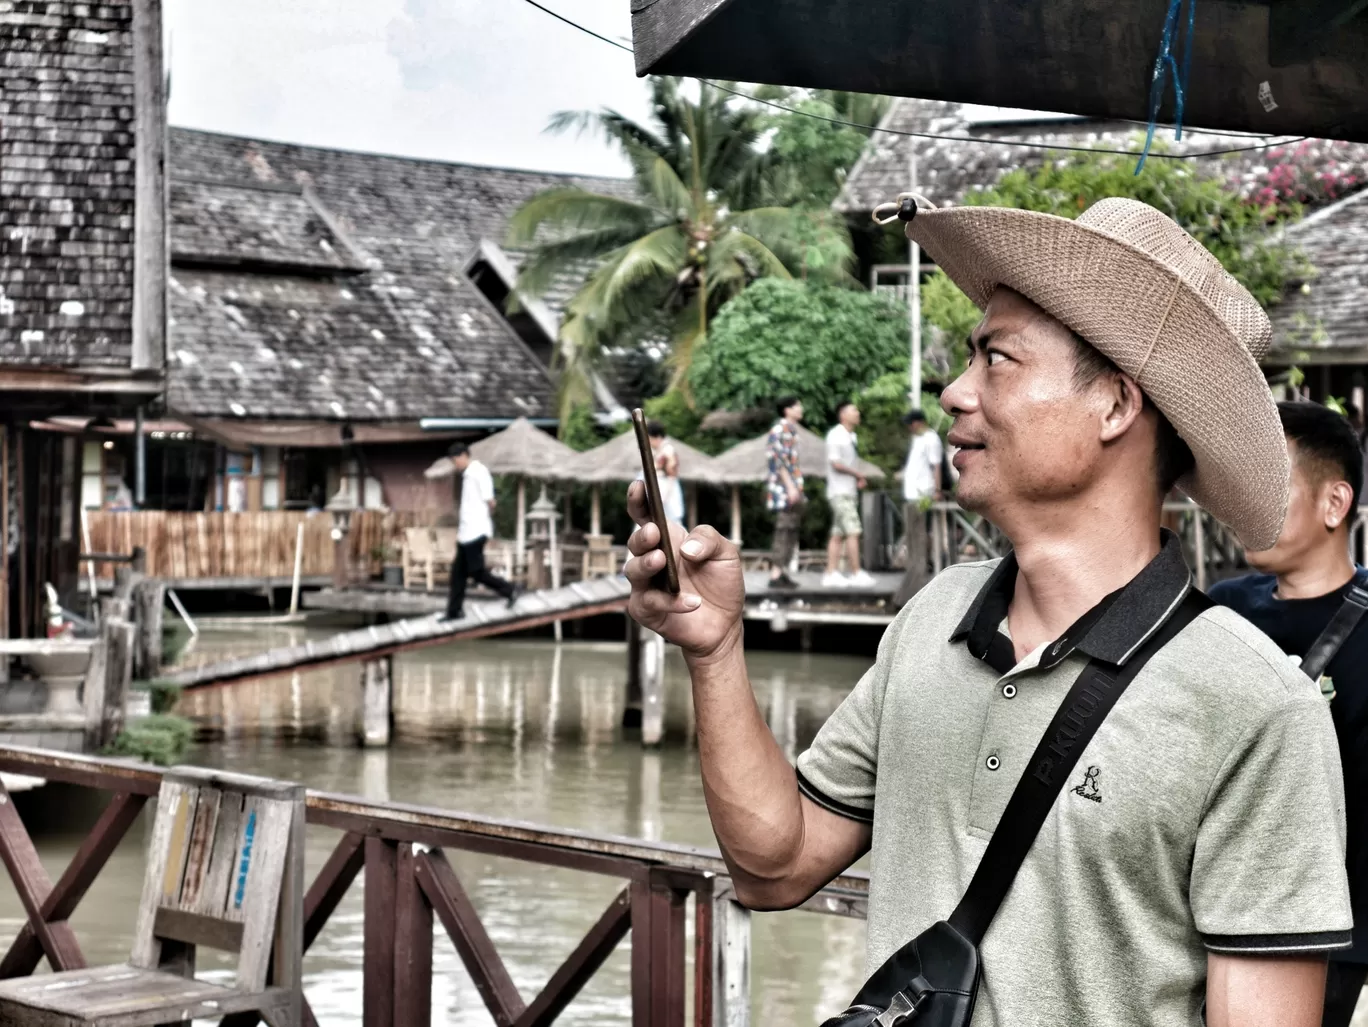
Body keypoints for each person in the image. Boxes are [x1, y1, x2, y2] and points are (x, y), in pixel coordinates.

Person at [622, 197, 1351, 1026]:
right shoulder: (934, 617)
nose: (954, 390)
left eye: (996, 358)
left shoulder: (1256, 708)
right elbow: (775, 864)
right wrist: (715, 649)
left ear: (1115, 405)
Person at [1209, 402, 1368, 1027]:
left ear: (1335, 504)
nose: (1250, 506)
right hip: (1218, 893)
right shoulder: (1221, 609)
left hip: (1335, 914)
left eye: (1273, 487)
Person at [443, 442, 521, 620]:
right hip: (465, 532)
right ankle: (454, 612)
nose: (455, 464)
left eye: (455, 460)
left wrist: (483, 519)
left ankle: (510, 590)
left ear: (463, 455)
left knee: (476, 572)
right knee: (458, 574)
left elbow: (490, 500)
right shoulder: (467, 475)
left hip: (476, 531)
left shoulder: (479, 472)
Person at [823, 402, 875, 588]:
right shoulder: (836, 435)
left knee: (837, 533)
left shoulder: (851, 436)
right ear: (843, 415)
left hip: (847, 491)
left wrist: (856, 479)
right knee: (853, 531)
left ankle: (831, 573)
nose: (858, 413)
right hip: (840, 492)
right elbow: (835, 463)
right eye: (854, 410)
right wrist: (858, 474)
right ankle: (856, 572)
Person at [765, 396, 804, 590]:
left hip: (793, 487)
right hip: (784, 490)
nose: (800, 409)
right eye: (797, 406)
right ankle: (775, 574)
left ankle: (782, 572)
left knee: (791, 530)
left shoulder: (792, 430)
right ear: (787, 410)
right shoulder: (780, 430)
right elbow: (778, 460)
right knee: (783, 530)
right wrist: (790, 487)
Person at [646, 420, 686, 525]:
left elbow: (672, 476)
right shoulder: (659, 451)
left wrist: (664, 496)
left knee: (672, 523)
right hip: (659, 487)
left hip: (667, 489)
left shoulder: (668, 451)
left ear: (657, 437)